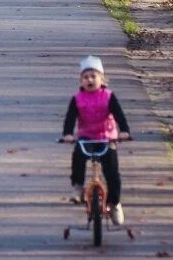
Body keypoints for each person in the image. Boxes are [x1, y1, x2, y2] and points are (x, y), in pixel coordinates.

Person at [60, 55, 131, 226]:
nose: (89, 80)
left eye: (93, 76)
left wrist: (124, 131)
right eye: (85, 77)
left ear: (102, 78)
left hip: (106, 137)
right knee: (78, 156)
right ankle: (78, 186)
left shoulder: (108, 96)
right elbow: (70, 118)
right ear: (81, 80)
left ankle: (115, 204)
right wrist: (68, 134)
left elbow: (119, 115)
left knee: (112, 172)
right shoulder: (77, 99)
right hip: (86, 137)